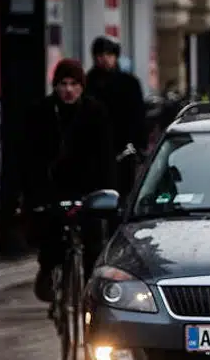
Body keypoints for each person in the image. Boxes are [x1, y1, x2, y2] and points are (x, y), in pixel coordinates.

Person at [24, 59, 114, 302]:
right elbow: (30, 156)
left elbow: (104, 156)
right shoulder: (41, 112)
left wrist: (105, 192)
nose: (68, 90)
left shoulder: (95, 112)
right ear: (55, 86)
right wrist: (34, 195)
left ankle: (89, 292)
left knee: (93, 241)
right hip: (53, 187)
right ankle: (48, 272)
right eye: (63, 84)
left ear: (82, 86)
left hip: (87, 187)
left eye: (74, 84)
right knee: (51, 236)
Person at [84, 37, 147, 195]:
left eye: (108, 54)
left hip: (123, 149)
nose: (104, 59)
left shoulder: (129, 83)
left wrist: (137, 144)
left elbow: (138, 116)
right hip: (94, 151)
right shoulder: (87, 83)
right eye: (100, 55)